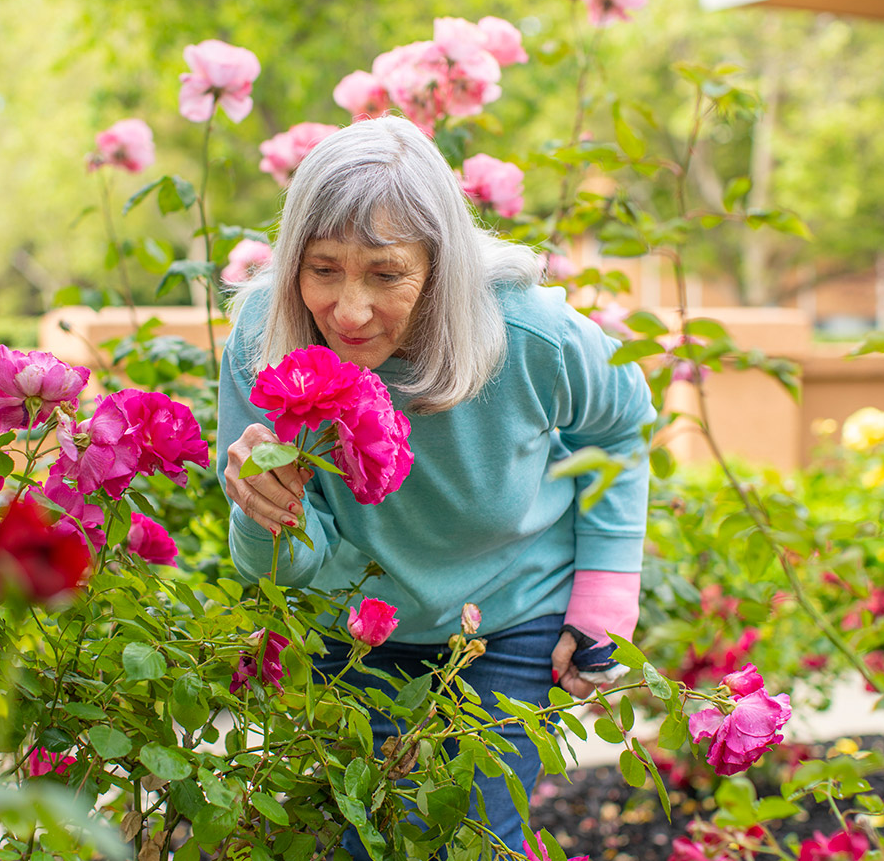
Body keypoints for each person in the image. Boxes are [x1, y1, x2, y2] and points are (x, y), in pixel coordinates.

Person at [216, 115, 654, 855]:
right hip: (356, 629)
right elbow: (280, 571)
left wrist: (604, 604)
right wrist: (266, 514)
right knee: (362, 842)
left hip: (507, 621)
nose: (349, 312)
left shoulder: (530, 333)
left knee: (465, 840)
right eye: (323, 269)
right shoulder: (267, 339)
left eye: (386, 273)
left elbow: (621, 427)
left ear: (440, 264)